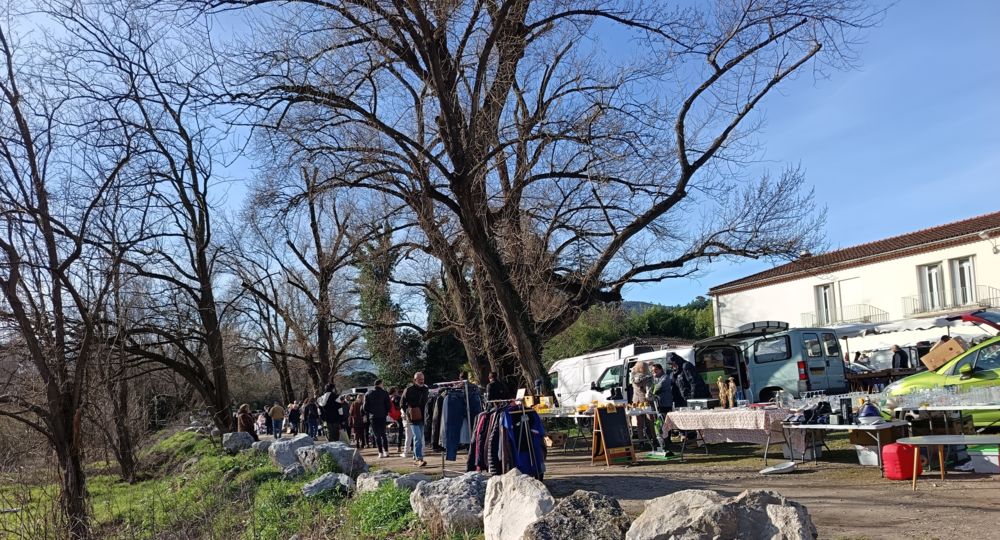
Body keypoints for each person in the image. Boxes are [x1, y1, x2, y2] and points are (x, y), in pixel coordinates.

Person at [401, 371, 429, 467]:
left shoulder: (426, 389)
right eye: (419, 379)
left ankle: (415, 456)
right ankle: (419, 458)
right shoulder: (408, 390)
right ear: (415, 380)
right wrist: (408, 412)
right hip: (413, 418)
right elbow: (402, 403)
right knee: (417, 438)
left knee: (420, 438)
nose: (421, 381)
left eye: (423, 379)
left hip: (422, 417)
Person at [364, 379, 392, 458]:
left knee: (377, 435)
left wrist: (370, 413)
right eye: (382, 384)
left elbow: (365, 407)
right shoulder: (385, 393)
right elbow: (388, 406)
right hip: (382, 416)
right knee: (383, 434)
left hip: (373, 417)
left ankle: (380, 452)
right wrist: (386, 412)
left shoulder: (368, 393)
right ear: (380, 384)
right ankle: (386, 451)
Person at [650, 364, 674, 454]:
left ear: (661, 370)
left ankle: (667, 442)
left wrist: (651, 391)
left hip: (666, 404)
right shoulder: (656, 379)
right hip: (658, 405)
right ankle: (663, 442)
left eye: (656, 370)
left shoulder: (665, 377)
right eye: (652, 371)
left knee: (665, 423)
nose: (654, 372)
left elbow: (657, 388)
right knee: (660, 424)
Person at [389, 386, 405, 454]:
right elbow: (401, 406)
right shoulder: (397, 397)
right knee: (403, 431)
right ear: (395, 391)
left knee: (400, 430)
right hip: (400, 415)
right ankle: (400, 446)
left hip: (395, 416)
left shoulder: (389, 398)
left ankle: (399, 447)